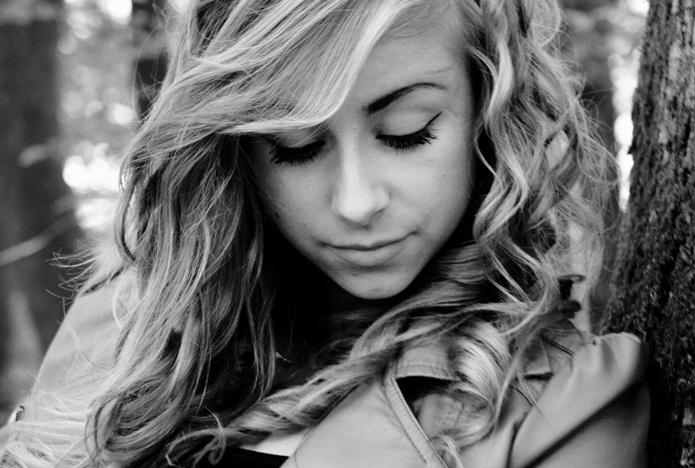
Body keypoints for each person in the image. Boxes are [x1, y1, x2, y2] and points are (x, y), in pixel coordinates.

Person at [0, 0, 649, 466]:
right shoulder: (119, 320)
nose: (356, 203)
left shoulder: (563, 405)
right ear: (234, 150)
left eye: (407, 131)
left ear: (489, 112)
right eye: (295, 146)